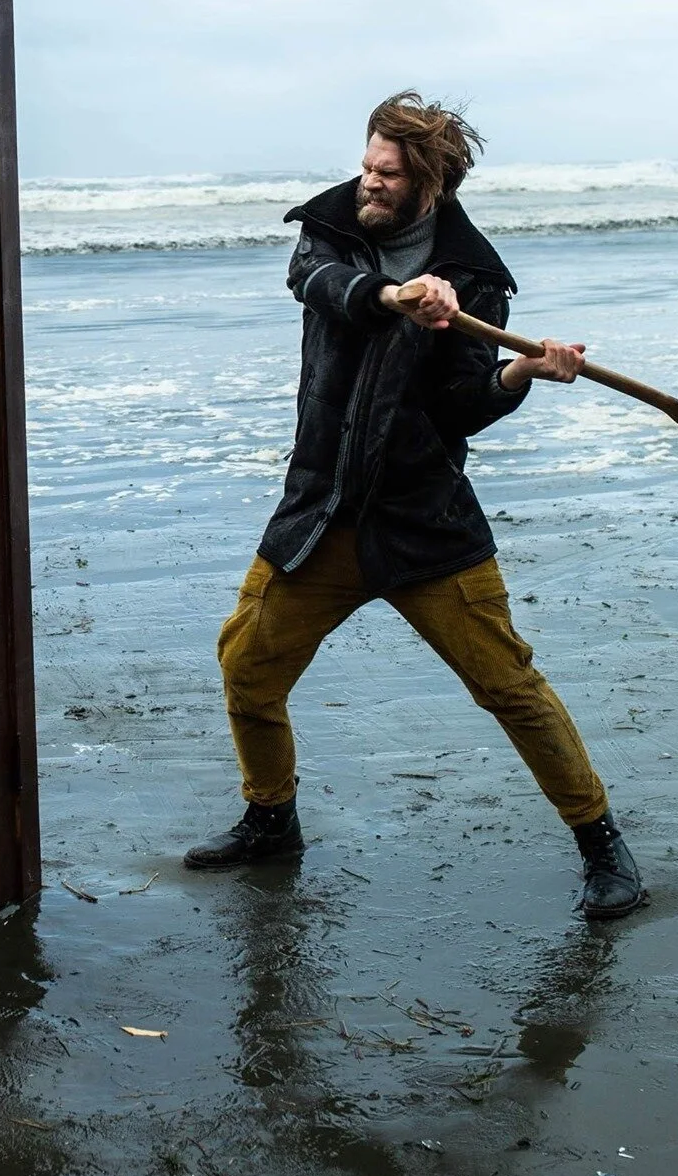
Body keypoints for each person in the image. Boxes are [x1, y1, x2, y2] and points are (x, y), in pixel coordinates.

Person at [182, 94, 646, 921]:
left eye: (387, 173)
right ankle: (271, 817)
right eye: (367, 163)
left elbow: (466, 400)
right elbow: (316, 283)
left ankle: (601, 841)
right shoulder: (331, 225)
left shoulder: (476, 278)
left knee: (509, 685)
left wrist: (522, 373)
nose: (368, 180)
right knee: (247, 665)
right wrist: (391, 298)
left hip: (422, 521)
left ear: (430, 181)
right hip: (322, 508)